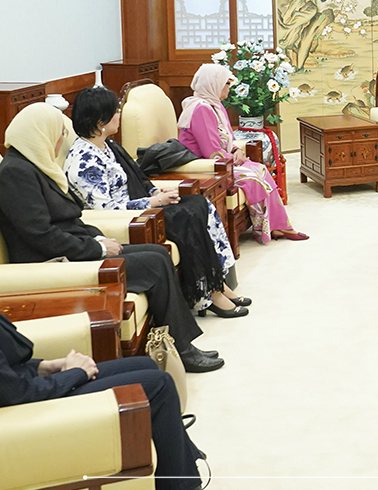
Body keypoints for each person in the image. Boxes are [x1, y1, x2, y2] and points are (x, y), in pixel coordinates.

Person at [0, 171, 245, 490]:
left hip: (18, 387)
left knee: (148, 369)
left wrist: (45, 365)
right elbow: (7, 391)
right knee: (156, 386)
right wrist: (68, 374)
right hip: (7, 413)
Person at [0, 103, 221, 373]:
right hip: (55, 263)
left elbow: (71, 219)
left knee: (158, 253)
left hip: (76, 248)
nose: (59, 144)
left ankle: (176, 345)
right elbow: (42, 236)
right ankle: (183, 351)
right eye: (57, 137)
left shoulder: (34, 165)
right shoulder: (15, 173)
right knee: (155, 264)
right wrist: (97, 249)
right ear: (39, 135)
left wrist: (99, 240)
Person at [65, 86, 249, 319]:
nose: (119, 116)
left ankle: (217, 284)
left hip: (141, 205)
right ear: (100, 120)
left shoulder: (108, 145)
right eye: (116, 111)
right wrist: (152, 202)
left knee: (199, 205)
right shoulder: (84, 160)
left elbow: (137, 177)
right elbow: (106, 208)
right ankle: (207, 295)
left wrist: (157, 192)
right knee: (188, 216)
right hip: (128, 218)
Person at [178, 64, 307, 245]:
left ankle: (278, 225)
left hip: (222, 160)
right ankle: (264, 226)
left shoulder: (215, 105)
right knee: (252, 177)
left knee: (260, 169)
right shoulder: (201, 109)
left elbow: (226, 139)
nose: (229, 88)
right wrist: (233, 159)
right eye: (226, 83)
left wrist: (236, 150)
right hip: (206, 166)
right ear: (213, 84)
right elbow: (211, 152)